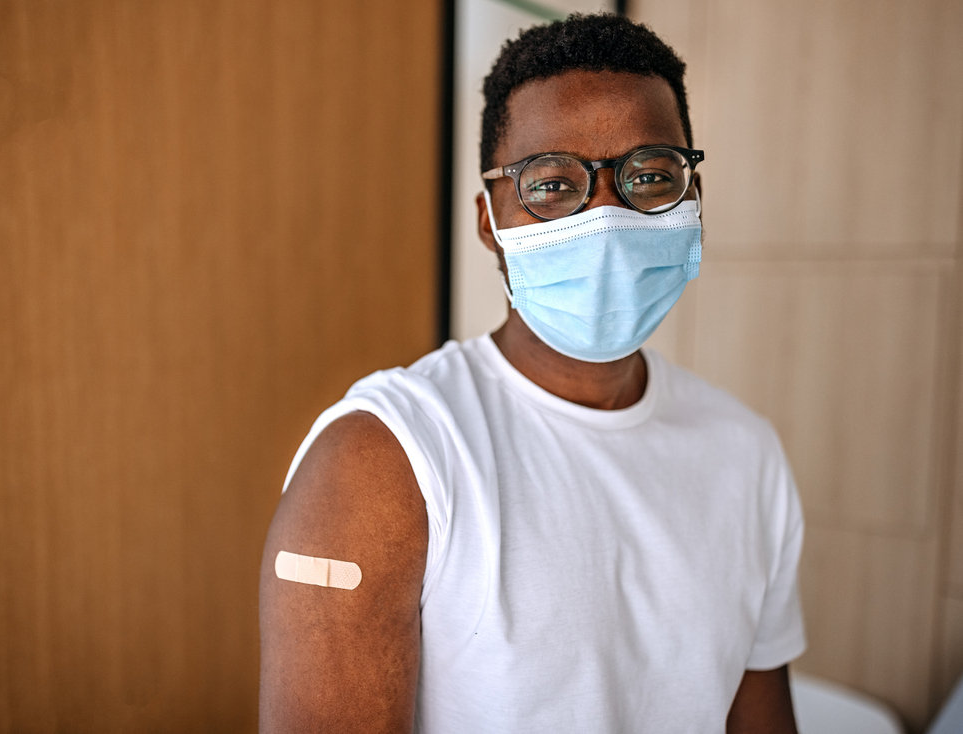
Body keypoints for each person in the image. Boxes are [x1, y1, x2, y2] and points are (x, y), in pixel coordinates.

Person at [259, 13, 805, 734]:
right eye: (552, 185)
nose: (607, 218)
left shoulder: (746, 453)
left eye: (649, 175)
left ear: (693, 199)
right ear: (490, 219)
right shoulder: (385, 463)